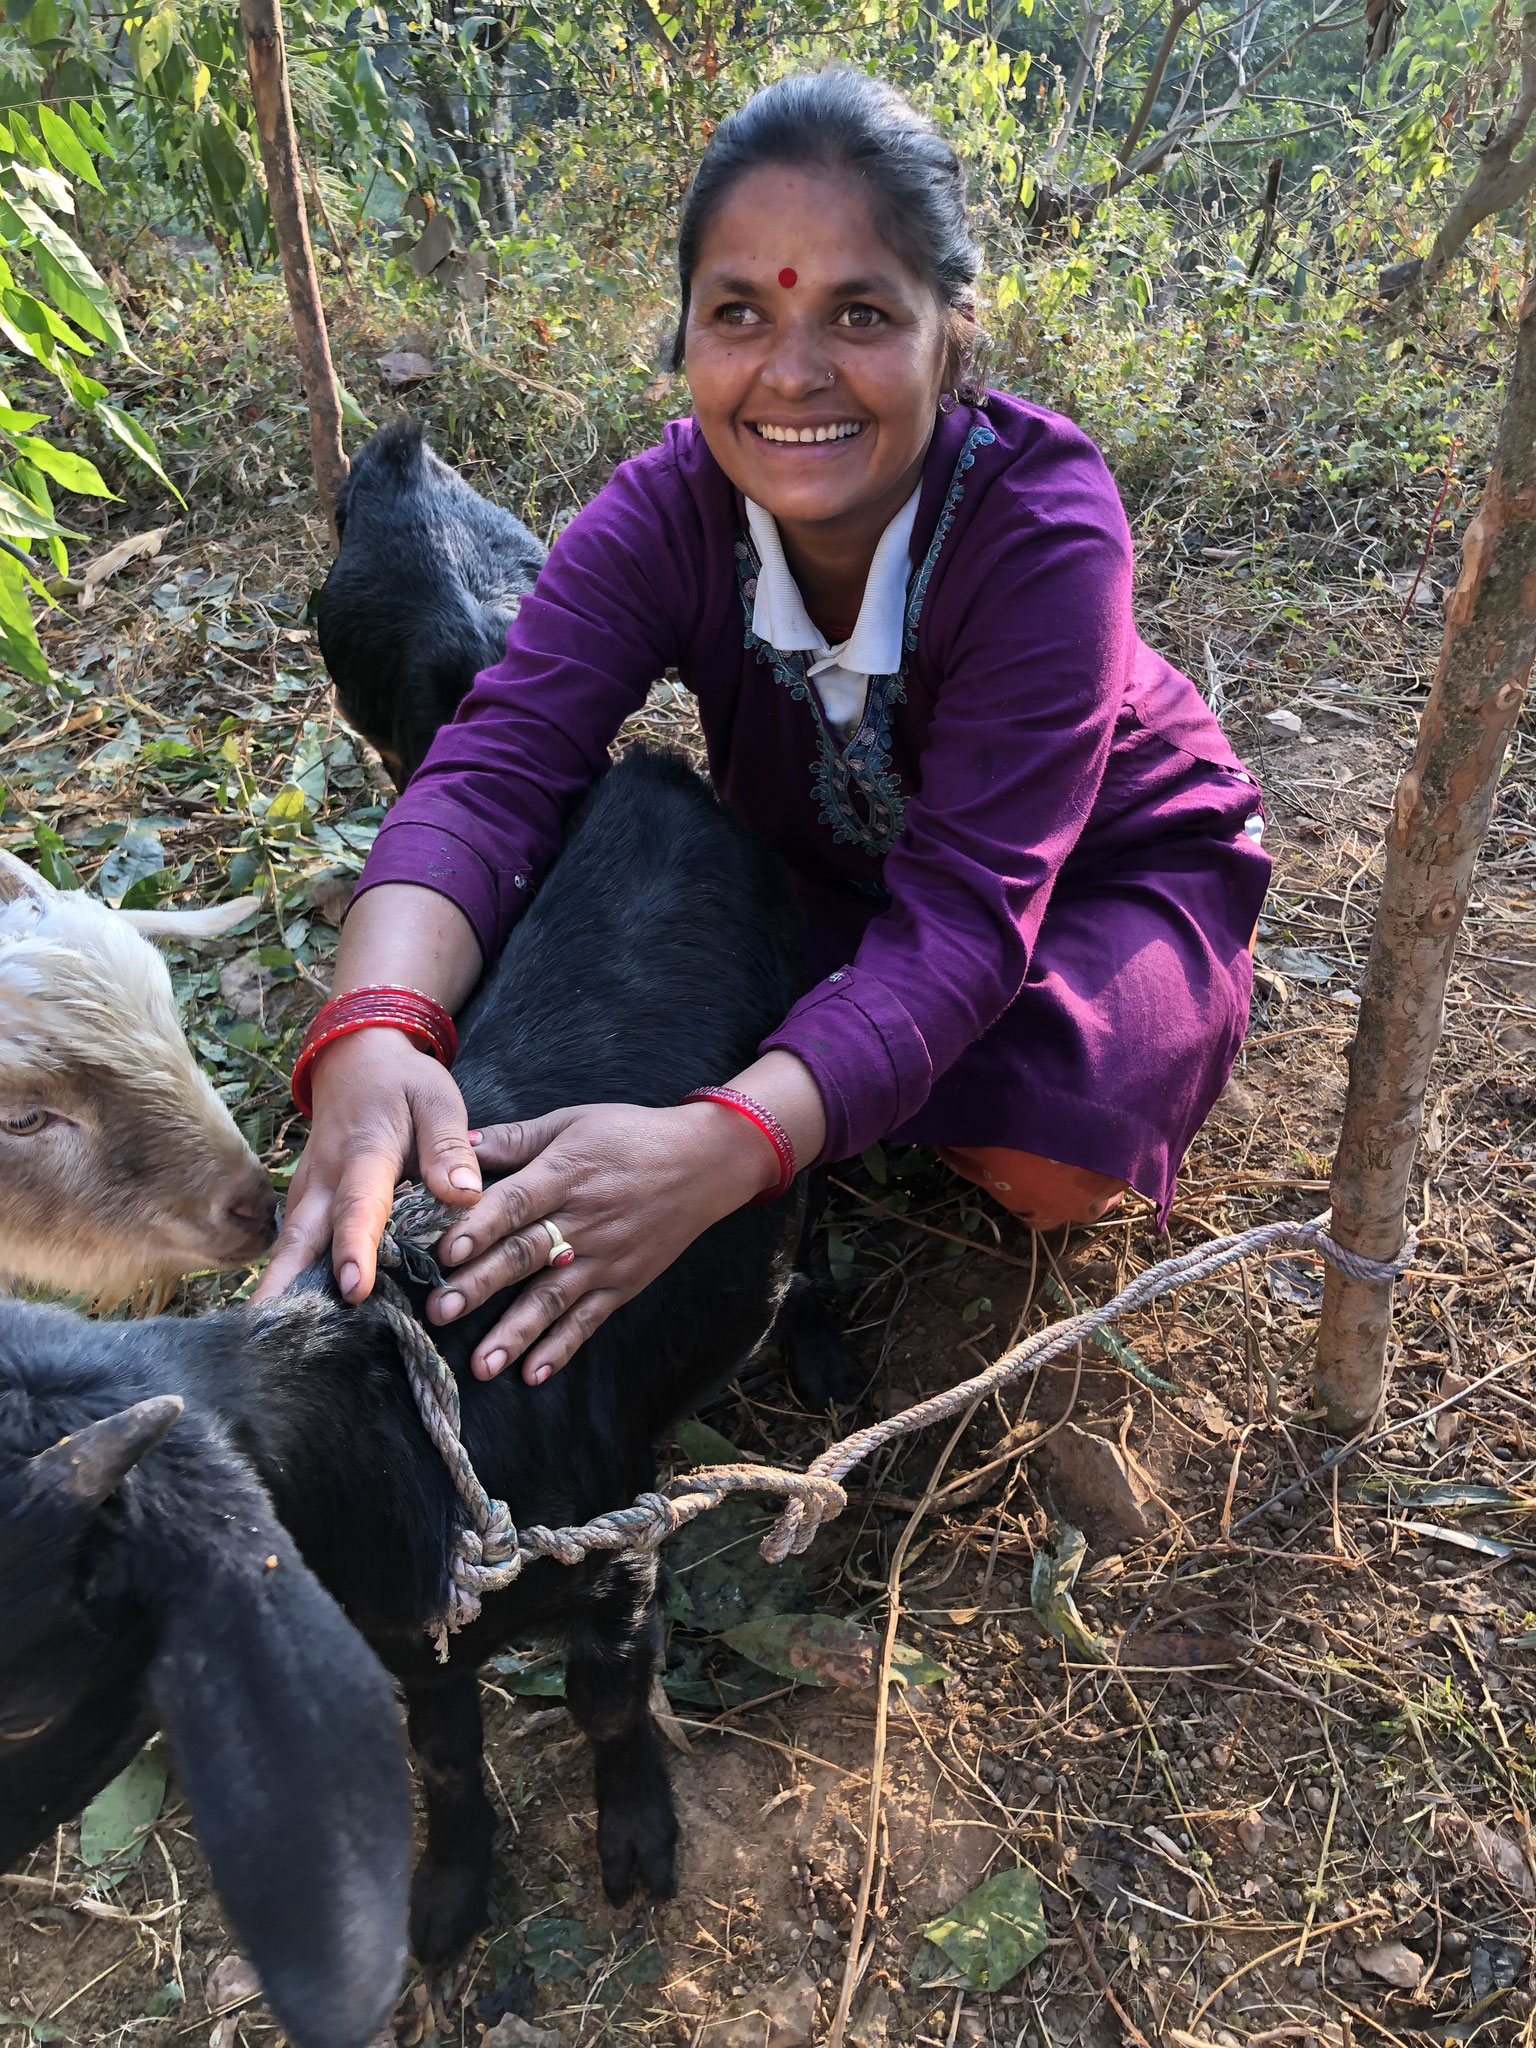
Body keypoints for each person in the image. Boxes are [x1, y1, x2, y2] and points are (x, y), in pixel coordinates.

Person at [257, 69, 1270, 1389]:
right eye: (739, 313)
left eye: (859, 312)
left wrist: (724, 1149)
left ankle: (869, 1084)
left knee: (1049, 1167)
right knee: (753, 1006)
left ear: (950, 333)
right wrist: (376, 1027)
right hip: (831, 873)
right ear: (685, 335)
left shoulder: (1043, 526)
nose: (793, 374)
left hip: (1088, 870)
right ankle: (840, 1074)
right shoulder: (671, 512)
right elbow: (496, 765)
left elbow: (972, 913)